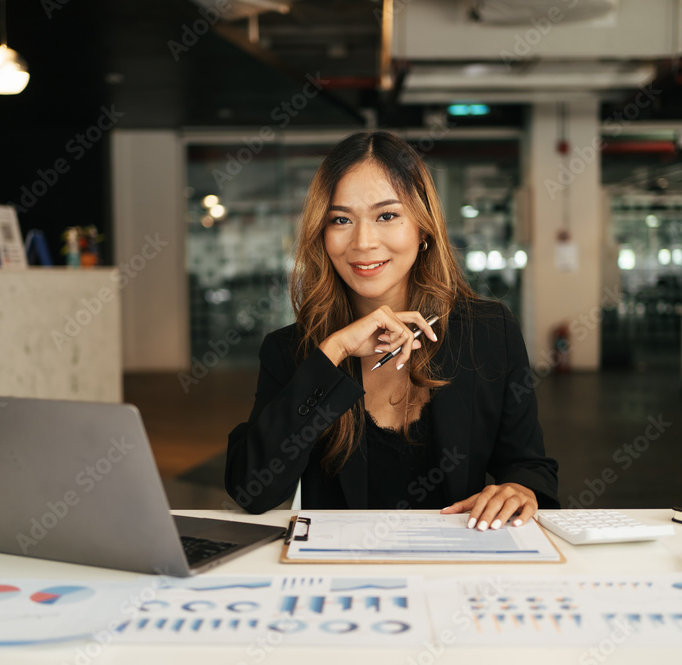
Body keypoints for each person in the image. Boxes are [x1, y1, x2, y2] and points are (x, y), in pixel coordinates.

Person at [225, 131, 559, 530]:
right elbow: (252, 491)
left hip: (454, 569)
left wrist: (521, 489)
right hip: (340, 577)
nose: (363, 242)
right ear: (321, 232)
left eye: (387, 215)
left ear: (423, 228)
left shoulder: (487, 332)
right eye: (341, 219)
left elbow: (528, 464)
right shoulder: (293, 350)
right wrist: (333, 353)